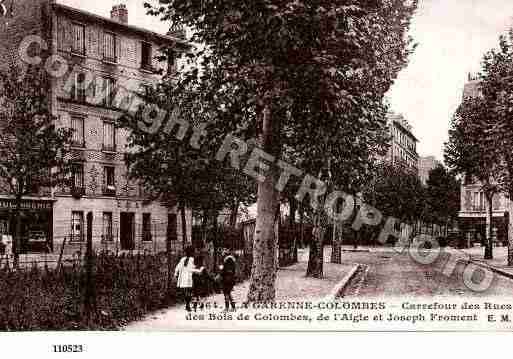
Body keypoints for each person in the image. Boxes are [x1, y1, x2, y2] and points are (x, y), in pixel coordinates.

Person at [174, 246, 196, 312]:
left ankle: (187, 304)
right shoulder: (192, 259)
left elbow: (178, 267)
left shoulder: (183, 259)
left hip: (183, 277)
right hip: (189, 277)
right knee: (189, 291)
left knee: (186, 291)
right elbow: (194, 267)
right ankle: (188, 304)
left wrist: (176, 274)